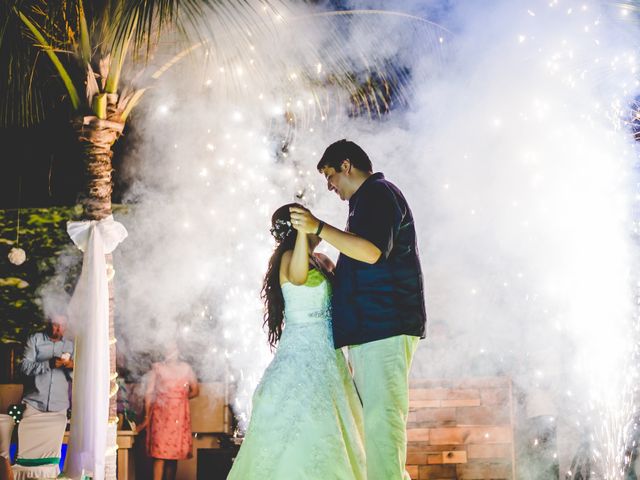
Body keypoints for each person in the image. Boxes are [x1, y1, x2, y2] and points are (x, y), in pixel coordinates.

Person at [289, 139, 427, 480]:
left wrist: (318, 227)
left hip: (385, 325)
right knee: (373, 424)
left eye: (330, 175)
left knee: (382, 421)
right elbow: (366, 261)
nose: (330, 186)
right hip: (373, 327)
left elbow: (371, 252)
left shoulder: (378, 193)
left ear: (347, 165)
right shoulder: (365, 202)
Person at [227, 203, 365, 480]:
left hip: (328, 352)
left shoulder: (321, 260)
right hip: (301, 351)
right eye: (307, 221)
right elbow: (299, 278)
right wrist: (304, 232)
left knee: (332, 424)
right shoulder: (289, 257)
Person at [138, 341, 199, 480]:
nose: (170, 352)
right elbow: (149, 393)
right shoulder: (157, 368)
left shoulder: (186, 368)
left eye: (173, 349)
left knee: (173, 455)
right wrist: (146, 418)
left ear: (178, 351)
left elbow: (195, 390)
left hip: (179, 416)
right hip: (161, 416)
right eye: (167, 349)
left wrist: (179, 400)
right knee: (160, 455)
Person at [20, 314, 74, 417]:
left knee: (56, 434)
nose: (59, 329)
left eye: (63, 325)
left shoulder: (71, 345)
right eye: (56, 325)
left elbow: (76, 378)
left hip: (60, 407)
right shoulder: (35, 340)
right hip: (33, 404)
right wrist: (48, 364)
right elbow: (24, 367)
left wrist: (72, 367)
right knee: (25, 433)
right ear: (47, 323)